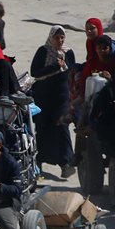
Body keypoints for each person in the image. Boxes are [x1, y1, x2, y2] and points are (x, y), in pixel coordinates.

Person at [29, 25, 77, 179]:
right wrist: (55, 67)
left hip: (62, 96)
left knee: (62, 125)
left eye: (62, 37)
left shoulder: (68, 53)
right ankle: (39, 163)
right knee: (43, 128)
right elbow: (35, 72)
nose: (60, 40)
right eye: (57, 37)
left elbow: (73, 72)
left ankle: (66, 163)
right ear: (51, 37)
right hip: (44, 96)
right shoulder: (43, 51)